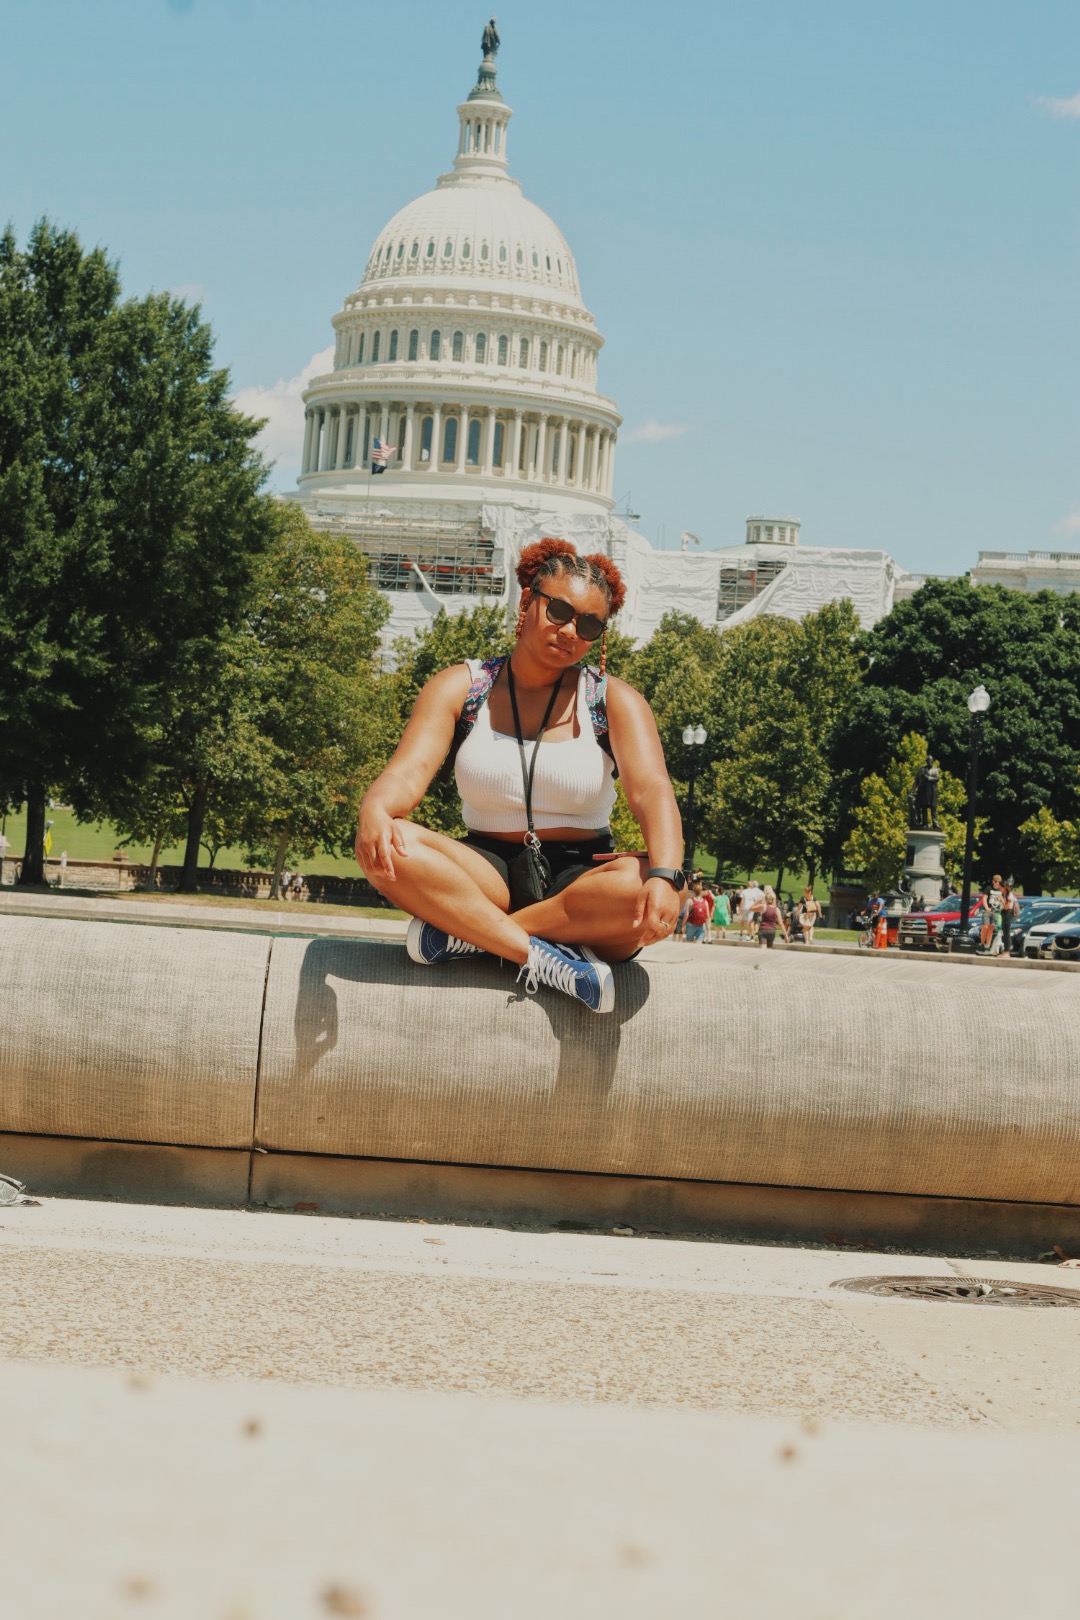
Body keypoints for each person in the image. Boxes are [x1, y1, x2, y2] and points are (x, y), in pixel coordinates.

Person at [356, 538, 684, 1015]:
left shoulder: (614, 701)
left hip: (580, 877)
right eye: (560, 611)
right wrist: (375, 808)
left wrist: (665, 876)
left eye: (589, 624)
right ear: (528, 603)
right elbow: (406, 774)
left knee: (640, 886)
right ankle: (540, 955)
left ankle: (472, 933)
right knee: (392, 843)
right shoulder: (461, 686)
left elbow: (652, 791)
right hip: (484, 870)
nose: (571, 630)